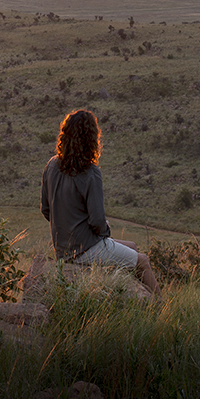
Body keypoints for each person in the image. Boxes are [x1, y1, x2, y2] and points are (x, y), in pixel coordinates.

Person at [40, 108, 159, 294]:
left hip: (63, 250)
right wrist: (104, 230)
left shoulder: (52, 165)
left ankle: (139, 296)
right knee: (142, 261)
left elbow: (46, 209)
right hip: (85, 249)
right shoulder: (90, 173)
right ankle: (161, 306)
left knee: (133, 248)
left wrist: (68, 226)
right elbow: (97, 221)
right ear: (91, 139)